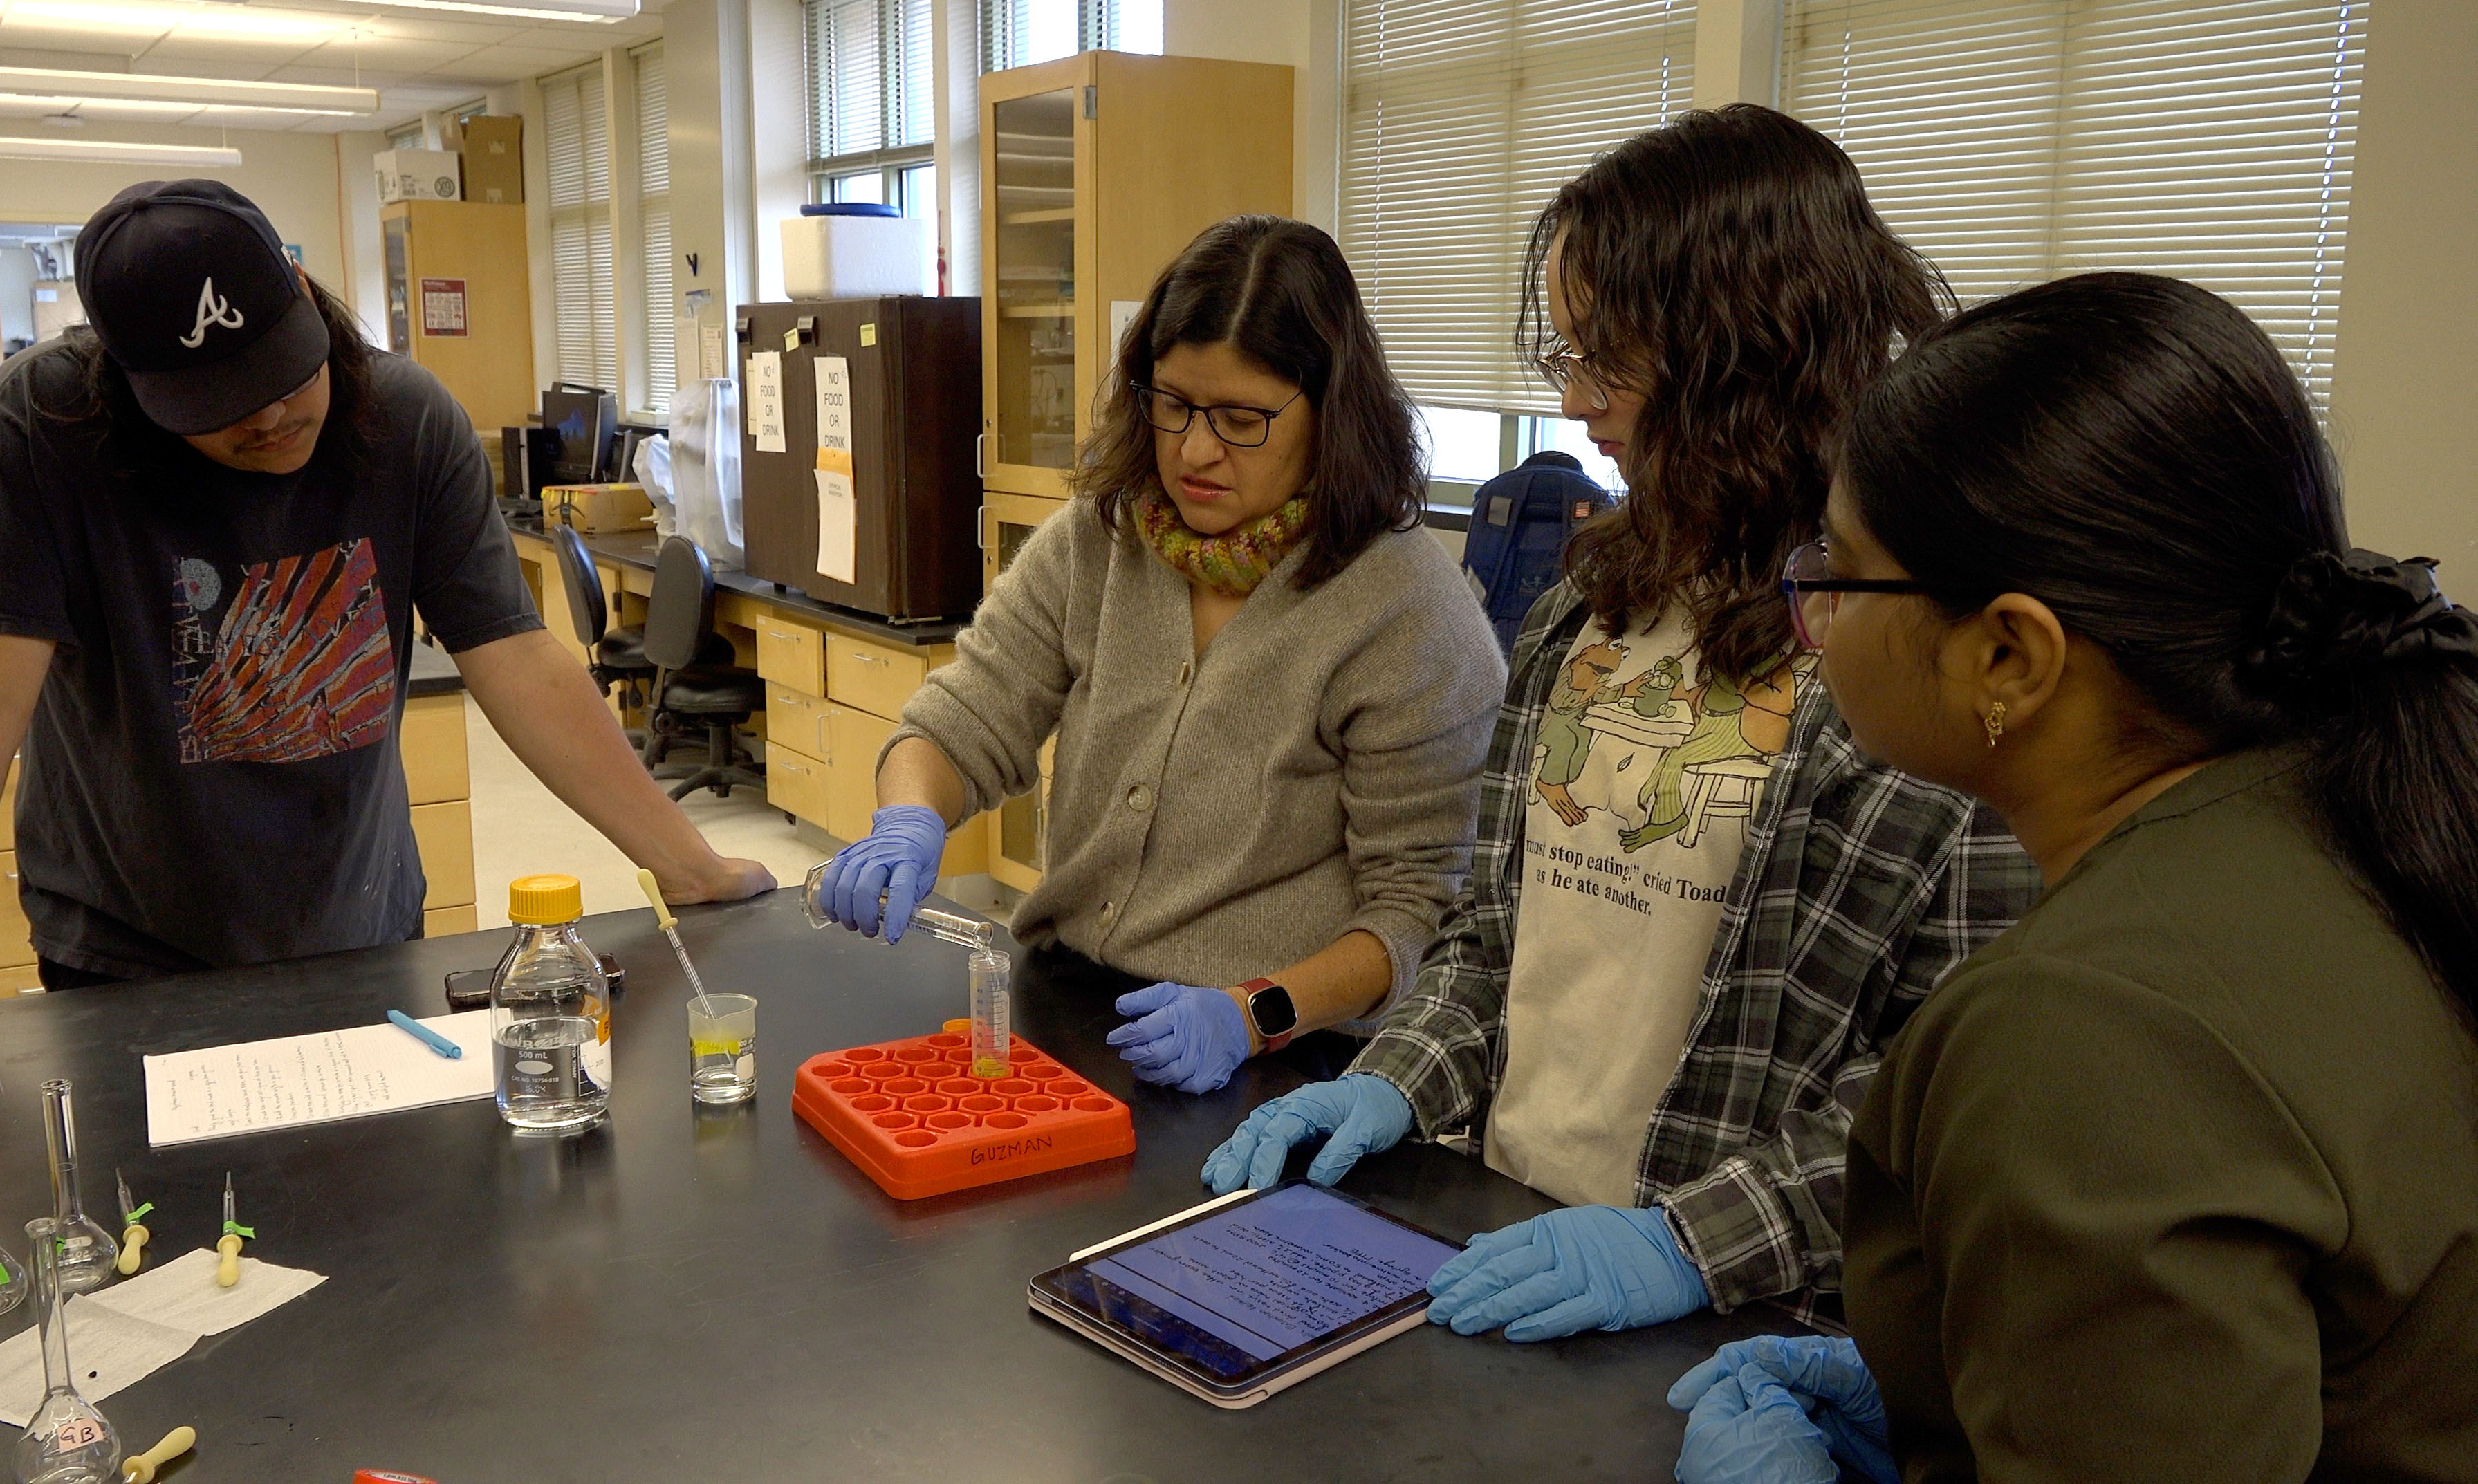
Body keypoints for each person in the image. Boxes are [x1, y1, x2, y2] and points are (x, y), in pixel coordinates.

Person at [1202, 104, 2042, 1338]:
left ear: (1742, 358)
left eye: (1610, 362)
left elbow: (1952, 1085)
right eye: (1569, 355)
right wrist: (1396, 1078)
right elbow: (1497, 939)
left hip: (1731, 1308)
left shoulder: (1918, 653)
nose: (1575, 402)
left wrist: (1689, 1245)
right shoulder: (1583, 610)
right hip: (1500, 1235)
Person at [1671, 272, 2478, 1482]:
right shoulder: (2352, 811)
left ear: (2009, 655)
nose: (1813, 603)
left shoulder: (2085, 1028)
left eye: (1843, 565)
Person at [0, 179, 771, 994]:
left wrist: (688, 866)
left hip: (361, 923)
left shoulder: (407, 421)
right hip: (125, 950)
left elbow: (519, 659)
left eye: (284, 369)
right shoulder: (39, 431)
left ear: (306, 298)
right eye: (222, 403)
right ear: (132, 384)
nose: (274, 415)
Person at [815, 215, 1504, 1093]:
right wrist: (908, 818)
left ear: (1332, 413)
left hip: (1275, 1049)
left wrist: (1252, 1015)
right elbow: (963, 722)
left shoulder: (1407, 611)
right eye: (1172, 405)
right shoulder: (1102, 539)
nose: (1195, 451)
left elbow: (1419, 912)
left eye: (1242, 419)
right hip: (1069, 1003)